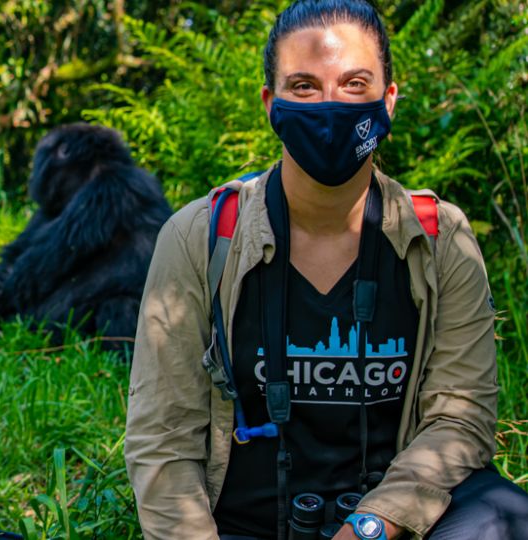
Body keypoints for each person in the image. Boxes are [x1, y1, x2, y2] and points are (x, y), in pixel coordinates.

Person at [124, 1, 528, 539]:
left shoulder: (439, 239)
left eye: (354, 84)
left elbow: (459, 419)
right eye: (304, 87)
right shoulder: (199, 237)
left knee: (506, 515)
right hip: (242, 525)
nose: (330, 106)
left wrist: (370, 527)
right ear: (271, 104)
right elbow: (163, 438)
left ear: (388, 100)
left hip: (395, 525)